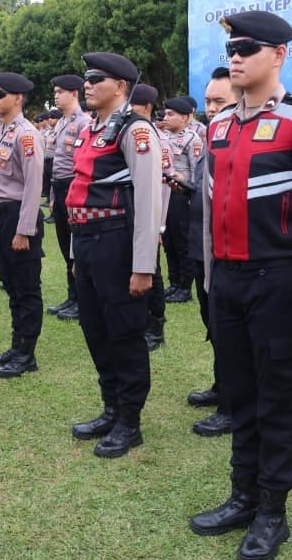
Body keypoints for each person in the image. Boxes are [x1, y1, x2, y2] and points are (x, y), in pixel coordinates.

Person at [190, 11, 292, 560]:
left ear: (278, 55)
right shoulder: (221, 125)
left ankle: (272, 511)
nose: (236, 55)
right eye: (232, 46)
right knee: (239, 391)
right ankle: (241, 494)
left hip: (278, 281)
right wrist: (210, 280)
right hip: (227, 282)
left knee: (276, 398)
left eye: (248, 47)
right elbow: (208, 210)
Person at [66, 52, 161, 458]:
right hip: (87, 242)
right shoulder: (92, 129)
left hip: (116, 242)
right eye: (86, 78)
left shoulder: (135, 130)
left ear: (120, 87)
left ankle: (130, 421)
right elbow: (79, 190)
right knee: (95, 328)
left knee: (123, 333)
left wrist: (143, 266)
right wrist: (74, 250)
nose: (86, 84)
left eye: (95, 78)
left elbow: (149, 199)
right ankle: (111, 407)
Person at [186, 66, 239, 438]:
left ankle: (233, 406)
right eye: (207, 101)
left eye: (219, 101)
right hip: (201, 248)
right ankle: (223, 385)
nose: (211, 108)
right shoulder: (210, 137)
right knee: (214, 327)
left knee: (231, 334)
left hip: (230, 255)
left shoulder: (241, 139)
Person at [0, 72, 46, 378]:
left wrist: (24, 230)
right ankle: (16, 344)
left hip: (21, 216)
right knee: (11, 286)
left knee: (26, 288)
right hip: (3, 216)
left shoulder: (26, 134)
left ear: (17, 98)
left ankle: (27, 354)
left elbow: (34, 186)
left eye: (0, 95)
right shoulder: (2, 131)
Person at [127, 83, 171, 351]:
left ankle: (156, 326)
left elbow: (162, 187)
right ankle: (141, 322)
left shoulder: (154, 138)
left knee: (151, 273)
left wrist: (159, 226)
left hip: (150, 218)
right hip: (130, 215)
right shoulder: (126, 133)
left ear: (146, 107)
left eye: (132, 107)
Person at [46, 75, 92, 321]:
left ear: (74, 94)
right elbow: (56, 163)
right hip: (60, 187)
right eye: (55, 92)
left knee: (76, 247)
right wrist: (53, 195)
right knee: (66, 246)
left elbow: (81, 164)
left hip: (74, 187)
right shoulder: (61, 123)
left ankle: (81, 299)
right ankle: (72, 295)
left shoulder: (83, 122)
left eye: (60, 92)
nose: (56, 96)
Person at [162, 96, 203, 304]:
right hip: (165, 194)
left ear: (186, 117)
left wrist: (186, 184)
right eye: (166, 114)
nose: (166, 118)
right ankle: (174, 282)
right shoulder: (164, 137)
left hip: (181, 195)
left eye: (171, 114)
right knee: (168, 240)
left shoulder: (192, 139)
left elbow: (198, 173)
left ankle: (186, 287)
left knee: (182, 241)